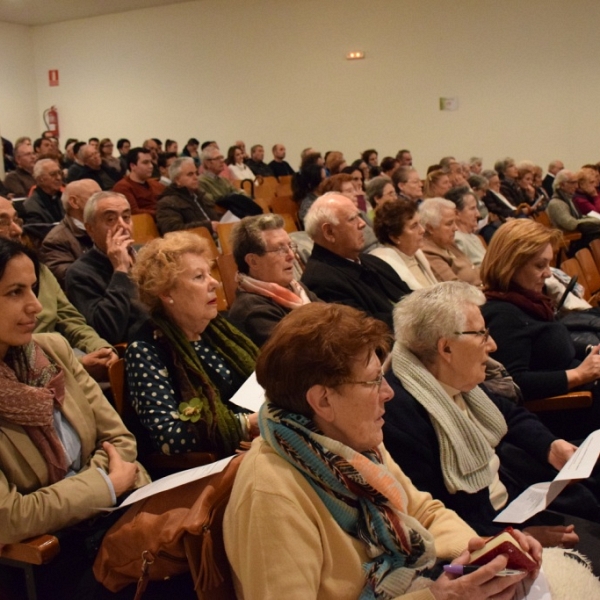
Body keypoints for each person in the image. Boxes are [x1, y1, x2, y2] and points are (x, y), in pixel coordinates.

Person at [223, 302, 541, 600]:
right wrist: (437, 597)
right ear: (322, 400)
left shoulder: (348, 444)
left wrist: (485, 553)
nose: (388, 392)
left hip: (418, 580)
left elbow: (422, 513)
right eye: (374, 381)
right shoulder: (270, 494)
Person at [384, 282, 600, 543]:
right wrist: (514, 537)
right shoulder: (400, 415)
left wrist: (550, 446)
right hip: (489, 533)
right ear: (446, 348)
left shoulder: (453, 377)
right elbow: (435, 519)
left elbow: (510, 414)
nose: (493, 345)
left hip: (516, 498)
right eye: (482, 334)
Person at [0, 237, 149, 596]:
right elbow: (9, 517)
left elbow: (121, 439)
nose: (35, 306)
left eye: (33, 289)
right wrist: (107, 484)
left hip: (114, 522)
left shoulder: (53, 349)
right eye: (14, 292)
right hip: (49, 559)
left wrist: (97, 487)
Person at [127, 231, 258, 456]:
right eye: (199, 277)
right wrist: (246, 424)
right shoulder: (146, 349)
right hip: (210, 466)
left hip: (250, 449)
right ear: (167, 293)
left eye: (210, 274)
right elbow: (170, 438)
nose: (215, 283)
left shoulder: (219, 331)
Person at [481, 219, 600, 439]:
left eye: (548, 264)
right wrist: (577, 375)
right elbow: (514, 383)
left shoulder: (528, 301)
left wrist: (589, 351)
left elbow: (548, 346)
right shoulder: (503, 314)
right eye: (539, 265)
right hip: (565, 412)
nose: (548, 274)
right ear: (511, 264)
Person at [301, 194, 410, 330]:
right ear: (329, 232)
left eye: (359, 216)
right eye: (352, 219)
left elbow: (410, 295)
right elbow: (368, 330)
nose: (362, 223)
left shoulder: (370, 260)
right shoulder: (321, 281)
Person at [66, 191, 147, 345]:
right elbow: (108, 332)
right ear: (90, 228)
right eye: (110, 219)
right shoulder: (80, 273)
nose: (122, 226)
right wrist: (120, 270)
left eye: (126, 217)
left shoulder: (147, 255)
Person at [228, 214, 318, 346]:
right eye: (280, 249)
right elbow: (302, 354)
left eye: (290, 246)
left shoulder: (297, 288)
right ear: (253, 261)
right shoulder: (252, 311)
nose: (291, 256)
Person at [40, 178, 99, 288]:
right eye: (95, 197)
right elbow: (69, 278)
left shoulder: (107, 228)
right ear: (74, 202)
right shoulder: (56, 240)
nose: (103, 201)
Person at [371, 199, 437, 290]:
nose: (422, 230)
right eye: (414, 226)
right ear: (395, 237)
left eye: (420, 223)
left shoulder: (416, 254)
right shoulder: (389, 268)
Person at [420, 198, 482, 285]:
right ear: (430, 228)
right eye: (449, 224)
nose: (456, 228)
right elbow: (454, 288)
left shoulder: (447, 243)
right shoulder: (428, 253)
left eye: (454, 222)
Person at [156, 157, 221, 236]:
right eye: (190, 174)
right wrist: (208, 226)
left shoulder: (201, 196)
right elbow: (173, 231)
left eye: (196, 173)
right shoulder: (167, 203)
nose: (195, 177)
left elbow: (216, 218)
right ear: (177, 180)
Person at [445, 186, 486, 266]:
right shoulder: (457, 240)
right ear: (457, 214)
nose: (478, 214)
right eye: (472, 209)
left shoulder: (473, 237)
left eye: (476, 208)